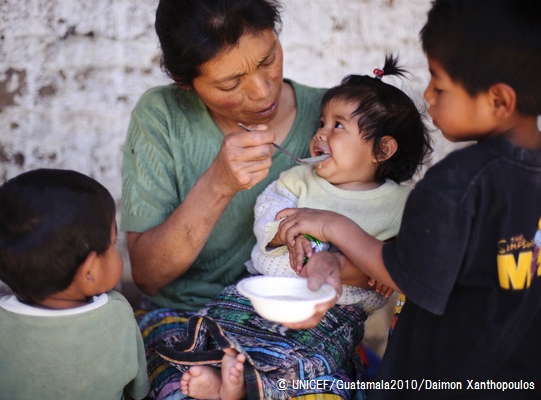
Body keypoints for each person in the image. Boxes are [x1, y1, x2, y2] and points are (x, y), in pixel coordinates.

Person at [276, 0, 541, 398]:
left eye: (439, 83)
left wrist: (331, 224)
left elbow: (401, 274)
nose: (429, 95)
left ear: (498, 101)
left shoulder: (456, 184)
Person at [154, 54, 432, 400]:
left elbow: (399, 261)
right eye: (321, 121)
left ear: (382, 149)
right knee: (213, 323)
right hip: (260, 291)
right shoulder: (300, 180)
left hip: (332, 315)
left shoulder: (398, 206)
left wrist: (364, 264)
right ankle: (217, 374)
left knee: (303, 362)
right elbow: (269, 207)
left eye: (338, 125)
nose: (320, 133)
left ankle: (242, 388)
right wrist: (288, 229)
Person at [120, 0, 327, 397]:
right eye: (230, 84)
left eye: (268, 59)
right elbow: (147, 275)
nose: (262, 91)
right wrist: (217, 183)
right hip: (183, 318)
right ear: (187, 83)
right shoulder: (162, 116)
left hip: (297, 323)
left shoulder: (332, 116)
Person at [0, 169, 150, 400]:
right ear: (89, 272)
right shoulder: (118, 313)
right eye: (113, 242)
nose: (117, 250)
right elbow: (138, 390)